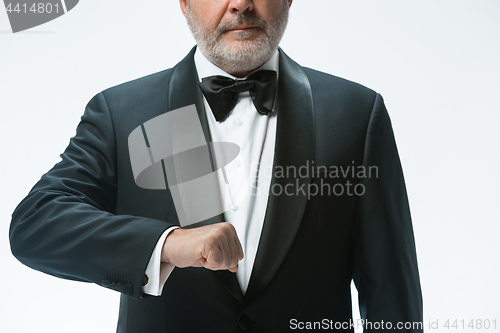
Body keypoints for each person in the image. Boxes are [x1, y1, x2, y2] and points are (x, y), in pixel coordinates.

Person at [10, 0, 423, 332]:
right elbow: (35, 224)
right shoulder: (122, 114)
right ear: (184, 3)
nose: (241, 4)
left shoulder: (356, 113)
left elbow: (392, 296)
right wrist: (167, 244)